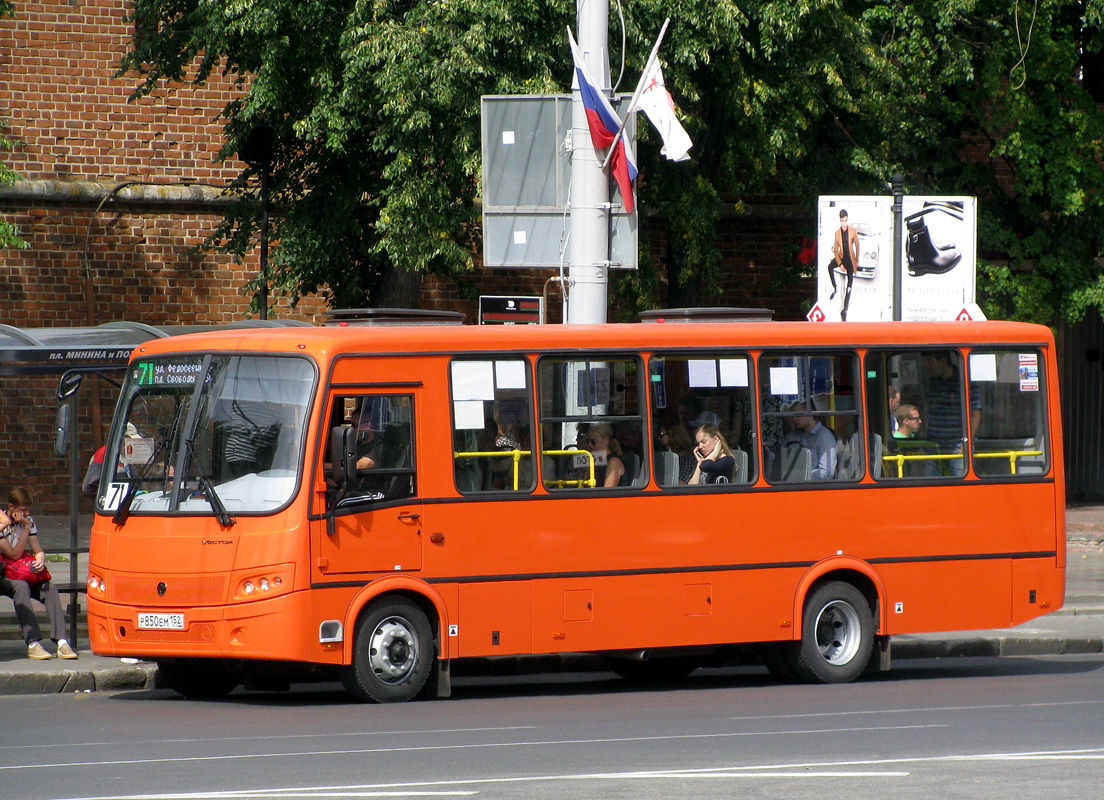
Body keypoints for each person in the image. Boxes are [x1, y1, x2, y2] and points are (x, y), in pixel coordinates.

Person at [0, 488, 77, 659]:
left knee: (49, 588)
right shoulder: (2, 524)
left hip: (23, 572)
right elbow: (13, 554)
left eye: (28, 510)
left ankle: (62, 641)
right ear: (11, 507)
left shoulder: (29, 521)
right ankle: (33, 642)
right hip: (7, 575)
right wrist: (25, 528)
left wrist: (40, 560)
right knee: (21, 587)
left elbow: (37, 549)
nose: (26, 514)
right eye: (22, 510)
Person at [922, 351, 981, 475]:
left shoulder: (965, 382)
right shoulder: (933, 382)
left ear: (943, 361)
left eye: (930, 361)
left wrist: (968, 442)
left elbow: (975, 413)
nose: (927, 366)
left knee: (961, 485)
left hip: (958, 445)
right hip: (934, 444)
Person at [783, 401, 838, 480]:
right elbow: (780, 462)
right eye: (792, 416)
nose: (794, 419)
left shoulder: (824, 436)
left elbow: (826, 473)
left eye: (798, 415)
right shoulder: (791, 436)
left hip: (812, 487)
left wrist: (800, 477)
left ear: (810, 413)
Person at [830, 209, 860, 321]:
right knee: (830, 266)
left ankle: (845, 308)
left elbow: (857, 244)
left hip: (850, 258)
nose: (844, 223)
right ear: (840, 220)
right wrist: (840, 263)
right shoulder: (837, 233)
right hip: (842, 257)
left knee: (850, 282)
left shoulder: (852, 231)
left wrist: (856, 259)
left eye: (846, 220)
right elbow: (835, 249)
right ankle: (834, 287)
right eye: (842, 220)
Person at [585, 422, 629, 487]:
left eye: (593, 441)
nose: (589, 445)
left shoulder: (614, 462)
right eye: (588, 441)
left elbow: (607, 492)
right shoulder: (595, 460)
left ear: (606, 440)